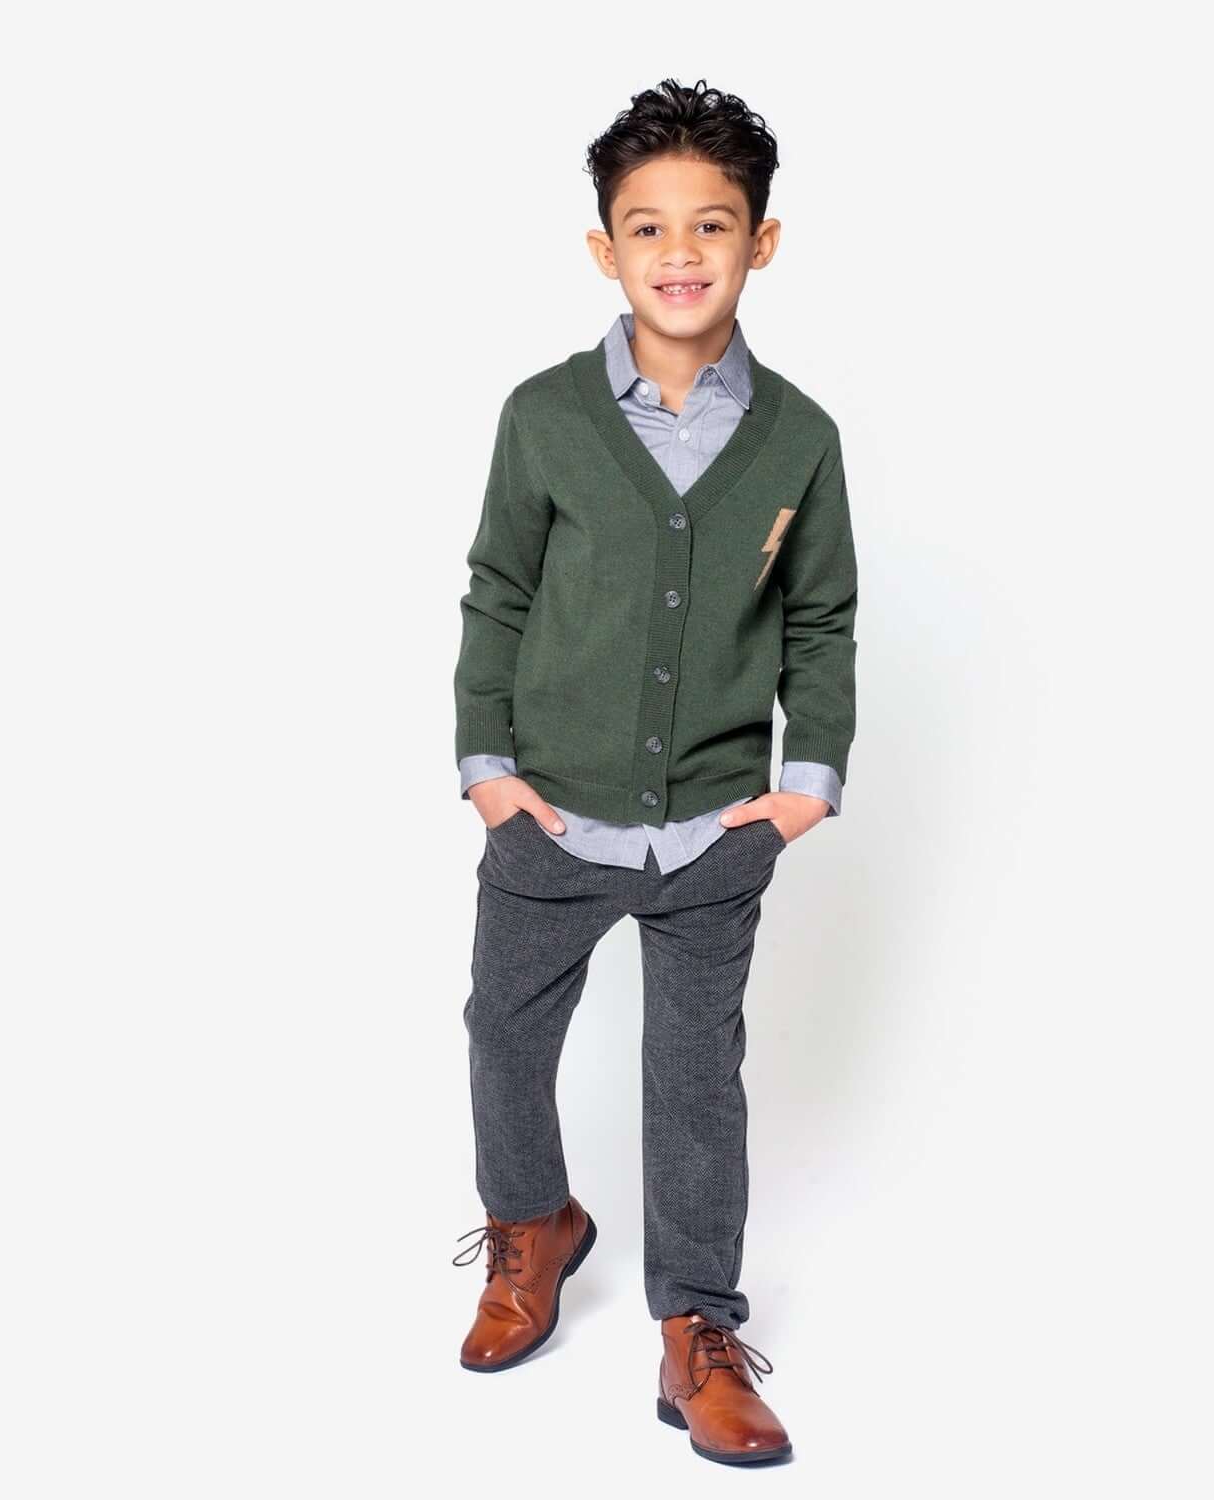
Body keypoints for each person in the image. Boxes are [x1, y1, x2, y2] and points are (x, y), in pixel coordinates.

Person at [450, 77, 859, 1466]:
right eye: (648, 228)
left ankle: (697, 1329)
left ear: (762, 242)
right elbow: (499, 590)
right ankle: (533, 1227)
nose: (680, 253)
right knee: (505, 1036)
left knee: (696, 1082)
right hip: (550, 816)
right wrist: (489, 769)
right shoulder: (543, 416)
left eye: (712, 225)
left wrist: (805, 785)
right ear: (604, 250)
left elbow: (820, 617)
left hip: (712, 832)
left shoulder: (799, 436)